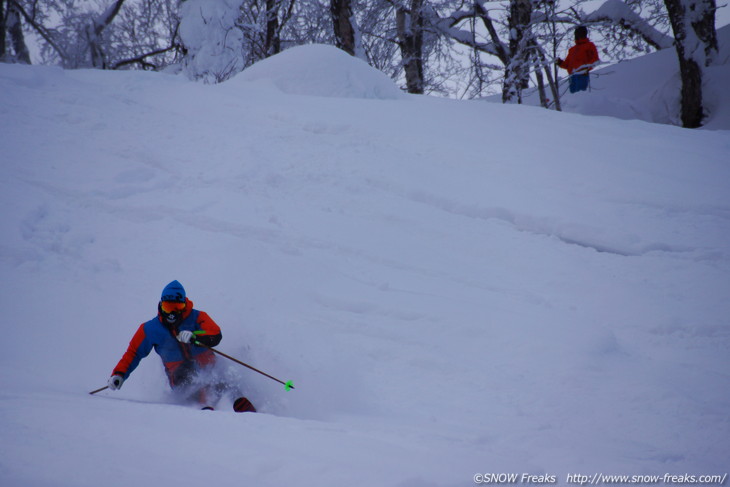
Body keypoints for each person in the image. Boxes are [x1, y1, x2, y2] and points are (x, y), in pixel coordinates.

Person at [107, 280, 223, 408]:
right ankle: (201, 408)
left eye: (177, 307)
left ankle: (239, 405)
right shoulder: (150, 329)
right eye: (168, 307)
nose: (172, 313)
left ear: (184, 305)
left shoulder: (197, 317)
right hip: (180, 376)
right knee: (186, 374)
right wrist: (119, 374)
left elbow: (216, 334)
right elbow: (134, 352)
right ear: (161, 305)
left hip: (208, 367)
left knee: (220, 374)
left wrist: (195, 336)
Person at [556, 26, 599, 93]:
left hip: (582, 75)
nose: (577, 35)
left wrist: (585, 69)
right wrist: (560, 62)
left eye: (579, 33)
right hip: (572, 76)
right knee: (574, 98)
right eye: (576, 34)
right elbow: (567, 65)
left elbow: (595, 60)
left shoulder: (589, 45)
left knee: (581, 95)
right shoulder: (572, 49)